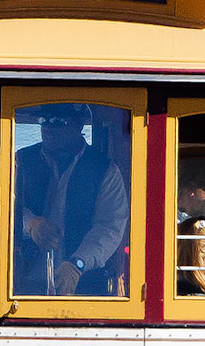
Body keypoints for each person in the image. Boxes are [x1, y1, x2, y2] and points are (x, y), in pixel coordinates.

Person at [14, 108, 128, 296]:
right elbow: (6, 207)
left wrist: (77, 265)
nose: (49, 127)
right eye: (43, 120)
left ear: (79, 124)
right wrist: (31, 224)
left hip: (83, 287)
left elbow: (109, 227)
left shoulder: (104, 169)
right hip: (20, 285)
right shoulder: (21, 161)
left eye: (58, 120)